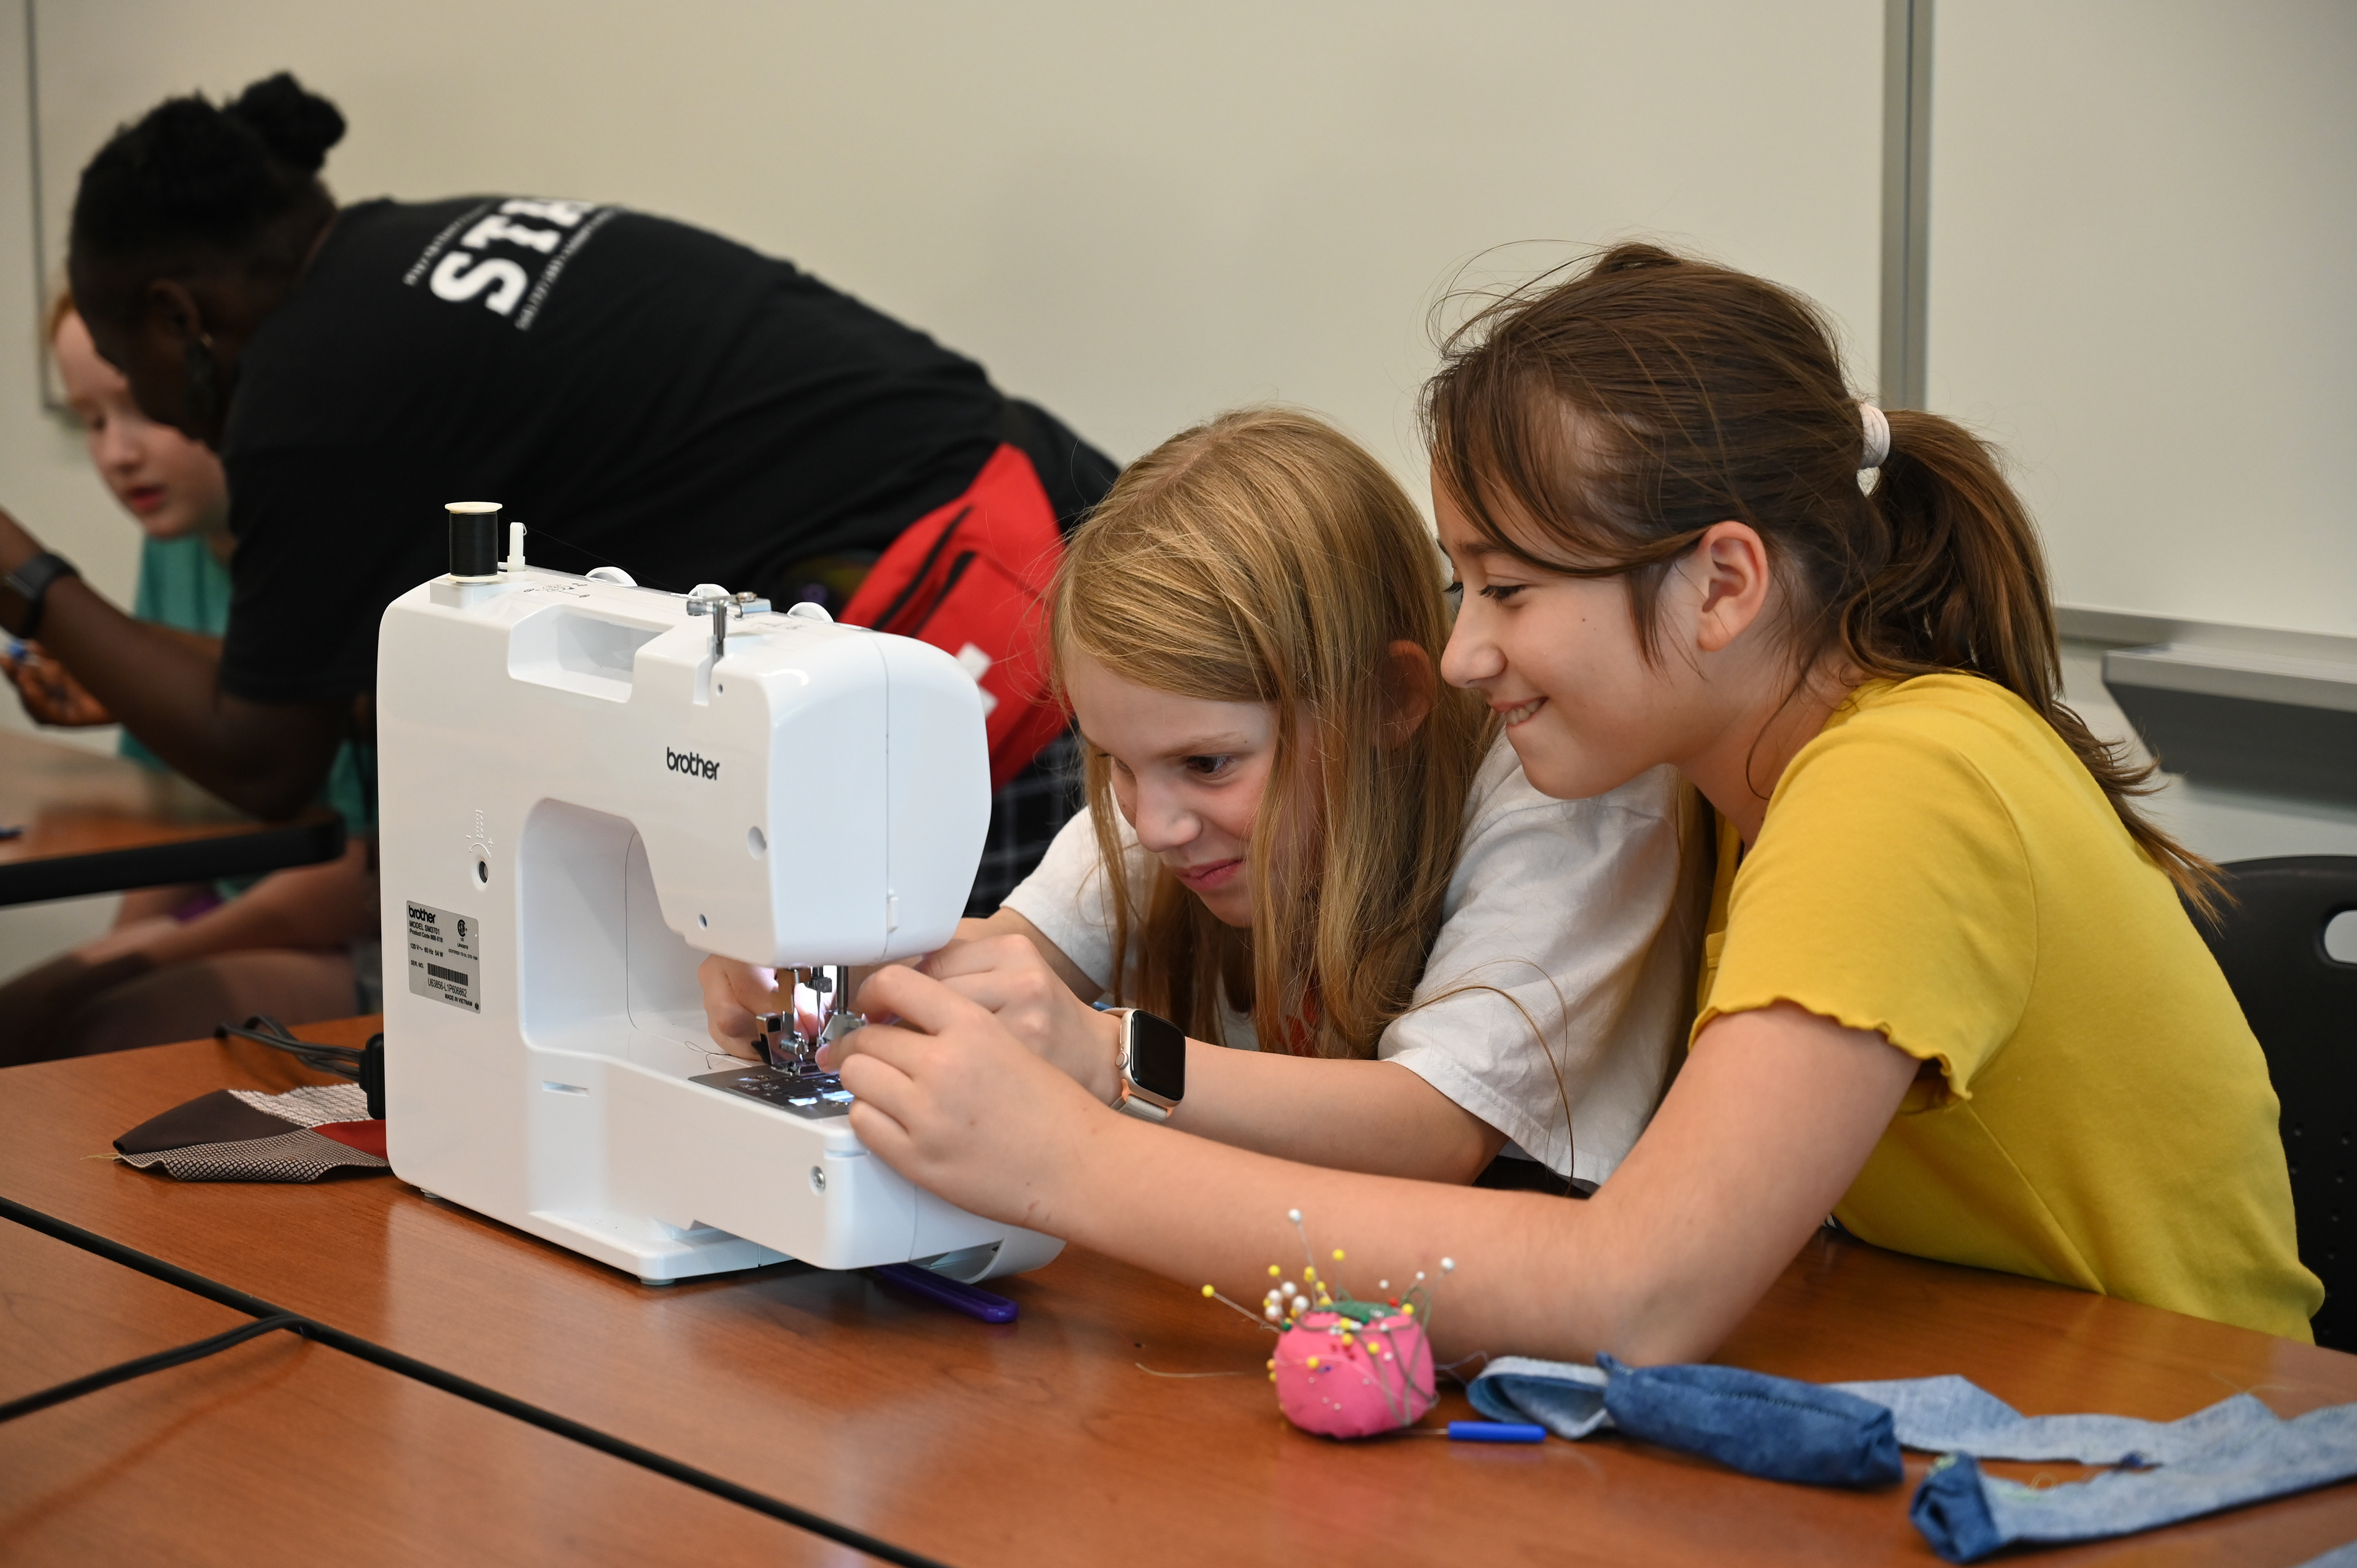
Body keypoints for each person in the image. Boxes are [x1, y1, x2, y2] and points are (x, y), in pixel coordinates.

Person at [796, 245, 2319, 1354]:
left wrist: (1072, 1158)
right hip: (1965, 1380)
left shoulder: (1898, 788)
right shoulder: (1723, 779)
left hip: (2183, 1450)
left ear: (1723, 583)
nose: (1467, 653)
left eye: (1509, 590)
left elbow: (1632, 1290)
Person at [0, 72, 1115, 914]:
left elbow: (264, 759)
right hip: (1055, 533)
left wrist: (26, 577)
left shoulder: (309, 386)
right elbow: (305, 689)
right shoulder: (392, 264)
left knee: (953, 1069)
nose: (149, 411)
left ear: (177, 319)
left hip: (974, 609)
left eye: (125, 363)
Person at [705, 409, 1698, 1188]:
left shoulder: (1569, 807)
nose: (1152, 823)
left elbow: (1433, 1127)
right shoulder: (1169, 780)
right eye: (1114, 763)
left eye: (1211, 764)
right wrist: (814, 996)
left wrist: (1111, 1055)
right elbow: (1001, 960)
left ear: (1389, 701)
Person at [0, 295, 377, 1067]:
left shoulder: (338, 555)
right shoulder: (172, 545)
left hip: (358, 940)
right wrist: (114, 948)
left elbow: (355, 880)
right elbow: (177, 808)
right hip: (229, 909)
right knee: (19, 1020)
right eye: (92, 420)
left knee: (98, 1037)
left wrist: (142, 955)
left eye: (143, 406)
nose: (118, 453)